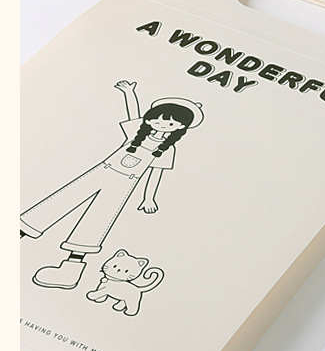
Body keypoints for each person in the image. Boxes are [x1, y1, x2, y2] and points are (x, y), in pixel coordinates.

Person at [21, 80, 203, 289]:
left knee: (96, 221)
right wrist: (129, 92)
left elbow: (155, 175)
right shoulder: (137, 132)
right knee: (63, 199)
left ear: (181, 127)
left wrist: (149, 198)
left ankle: (70, 271)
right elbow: (133, 113)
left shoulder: (167, 149)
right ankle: (20, 231)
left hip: (123, 185)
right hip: (102, 172)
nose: (162, 125)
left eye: (170, 124)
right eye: (158, 119)